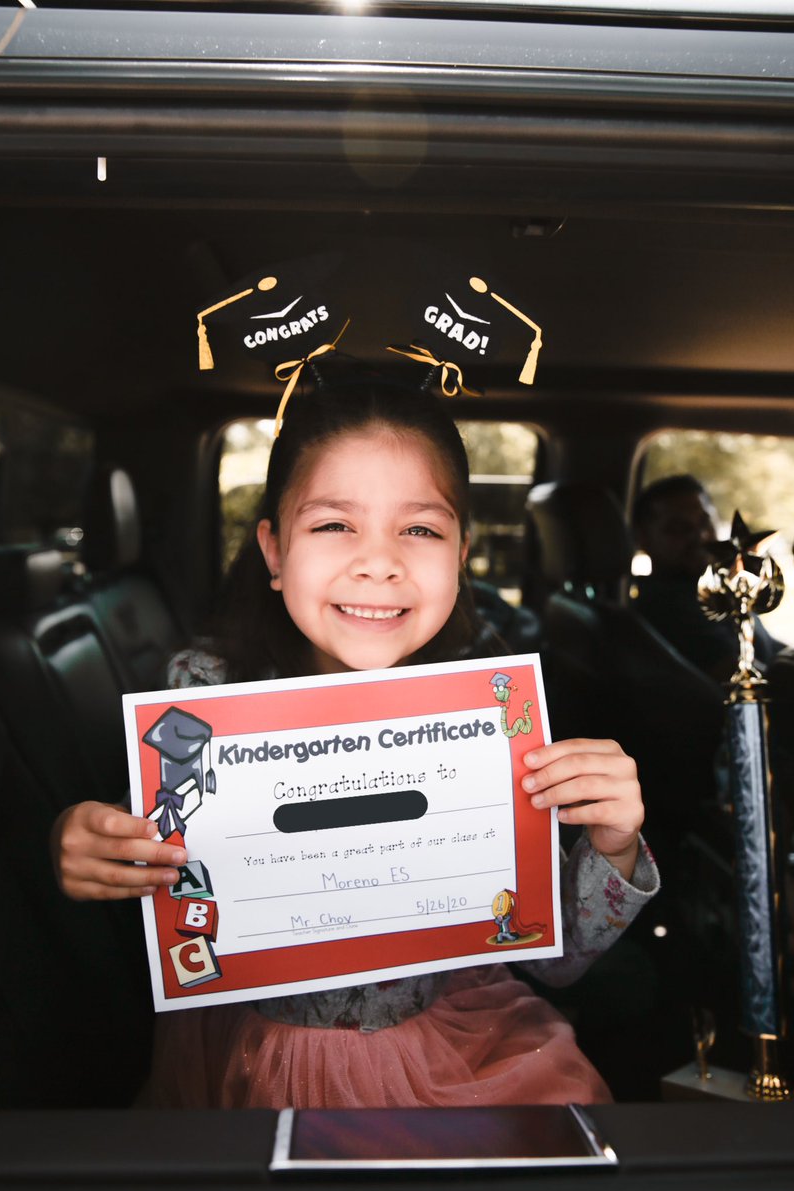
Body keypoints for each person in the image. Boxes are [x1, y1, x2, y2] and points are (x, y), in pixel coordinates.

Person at [52, 367, 658, 1110]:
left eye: (421, 529)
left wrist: (612, 844)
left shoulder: (489, 714)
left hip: (457, 1033)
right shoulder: (204, 693)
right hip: (255, 1052)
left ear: (462, 556)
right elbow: (154, 848)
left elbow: (555, 960)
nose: (378, 561)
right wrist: (86, 840)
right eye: (334, 524)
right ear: (273, 552)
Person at [631, 473, 784, 683]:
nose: (700, 536)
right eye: (678, 529)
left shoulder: (718, 592)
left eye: (705, 523)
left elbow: (771, 650)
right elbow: (738, 676)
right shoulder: (664, 606)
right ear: (643, 538)